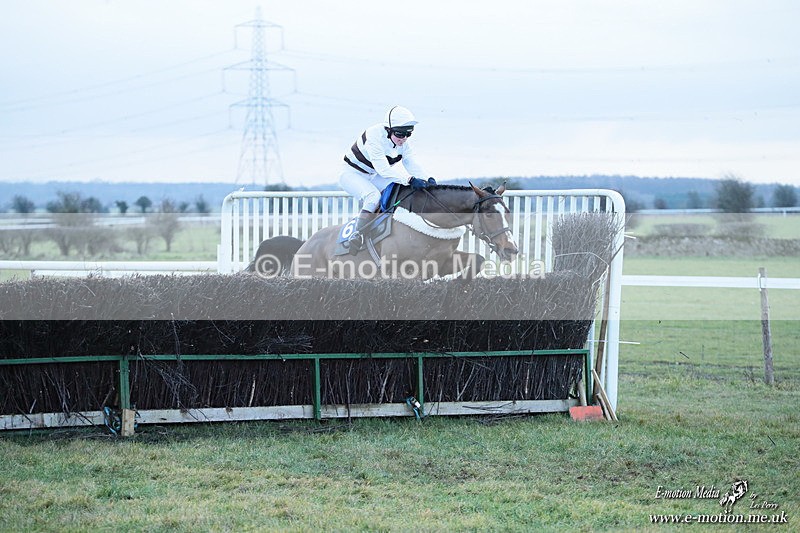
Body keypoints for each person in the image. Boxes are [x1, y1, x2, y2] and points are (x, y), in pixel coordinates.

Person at [340, 105, 434, 249]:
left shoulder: (403, 142)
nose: (404, 139)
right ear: (388, 129)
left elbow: (410, 162)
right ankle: (357, 235)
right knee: (373, 197)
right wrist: (410, 179)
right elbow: (383, 170)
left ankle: (389, 231)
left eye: (408, 134)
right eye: (400, 134)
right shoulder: (374, 137)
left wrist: (427, 179)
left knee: (399, 190)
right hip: (351, 174)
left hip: (373, 175)